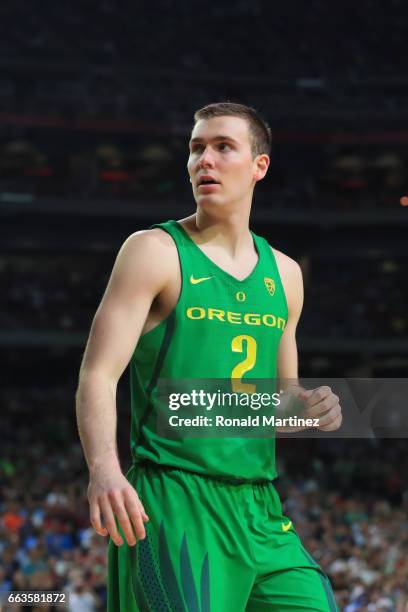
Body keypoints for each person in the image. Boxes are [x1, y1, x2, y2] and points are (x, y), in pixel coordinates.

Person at [76, 102, 342, 611]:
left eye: (223, 147)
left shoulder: (286, 274)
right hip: (175, 501)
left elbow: (279, 406)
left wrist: (312, 407)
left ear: (259, 166)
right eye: (197, 148)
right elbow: (97, 373)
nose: (205, 161)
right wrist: (104, 467)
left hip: (259, 507)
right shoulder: (153, 250)